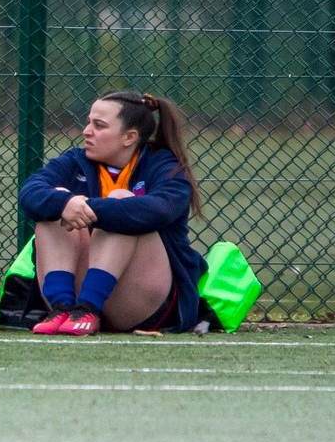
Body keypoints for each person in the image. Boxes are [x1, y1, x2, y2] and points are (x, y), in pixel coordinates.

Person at [19, 91, 205, 336]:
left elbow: (159, 210)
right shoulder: (74, 161)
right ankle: (62, 308)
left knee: (122, 202)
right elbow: (29, 193)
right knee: (57, 202)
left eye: (99, 125)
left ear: (129, 137)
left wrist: (90, 208)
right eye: (88, 122)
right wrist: (65, 203)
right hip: (77, 294)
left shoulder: (164, 166)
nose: (86, 131)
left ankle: (88, 308)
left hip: (139, 303)